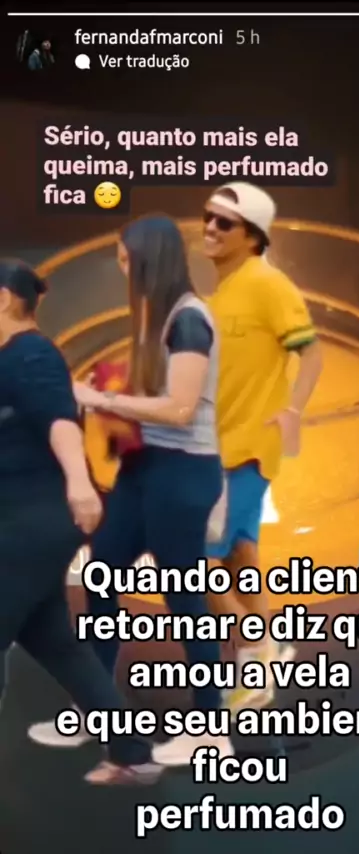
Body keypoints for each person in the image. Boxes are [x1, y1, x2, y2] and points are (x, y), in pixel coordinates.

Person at [28, 214, 232, 771]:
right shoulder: (155, 317)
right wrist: (111, 388)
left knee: (184, 599)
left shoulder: (189, 320)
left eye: (126, 259)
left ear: (150, 261)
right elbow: (153, 395)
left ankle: (211, 730)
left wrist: (101, 400)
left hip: (183, 473)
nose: (122, 269)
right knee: (103, 577)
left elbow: (181, 408)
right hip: (145, 468)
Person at [0, 258, 162, 786]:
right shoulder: (13, 357)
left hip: (34, 520)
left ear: (3, 299)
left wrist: (78, 483)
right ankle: (133, 754)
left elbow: (60, 422)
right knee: (57, 643)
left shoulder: (30, 353)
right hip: (29, 520)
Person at [203, 182, 322, 712]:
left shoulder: (268, 285)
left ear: (253, 237)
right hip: (217, 450)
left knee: (197, 569)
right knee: (239, 555)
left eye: (224, 223)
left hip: (246, 451)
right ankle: (266, 649)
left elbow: (312, 354)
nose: (210, 228)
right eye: (208, 217)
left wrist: (293, 409)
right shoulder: (221, 292)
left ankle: (256, 660)